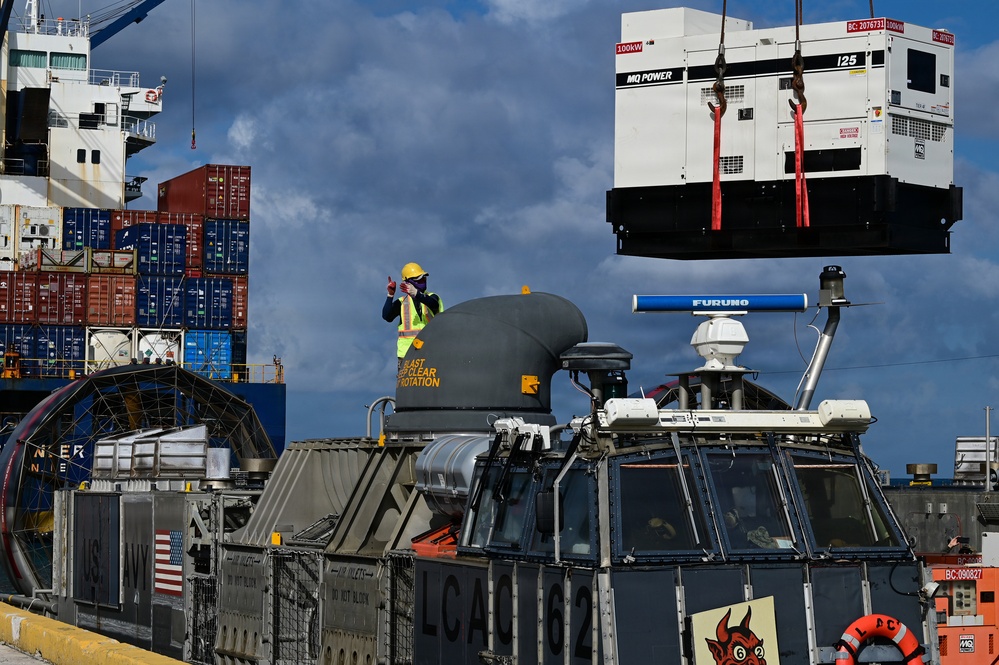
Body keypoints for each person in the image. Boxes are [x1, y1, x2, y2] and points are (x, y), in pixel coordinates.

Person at [382, 262, 443, 367]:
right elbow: (387, 316)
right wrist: (390, 295)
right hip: (406, 356)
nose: (422, 282)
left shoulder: (432, 297)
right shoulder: (402, 302)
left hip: (430, 352)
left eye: (423, 279)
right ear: (407, 283)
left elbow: (434, 304)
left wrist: (417, 294)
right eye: (418, 280)